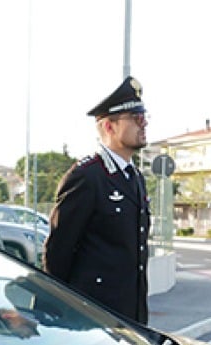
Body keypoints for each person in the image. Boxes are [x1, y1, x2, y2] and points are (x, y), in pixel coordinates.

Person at [45, 77, 151, 323]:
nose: (143, 123)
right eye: (135, 117)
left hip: (129, 318)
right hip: (93, 319)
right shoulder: (87, 177)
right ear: (109, 127)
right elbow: (58, 252)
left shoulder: (135, 178)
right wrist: (62, 312)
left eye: (144, 116)